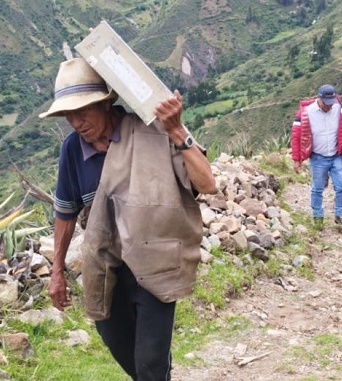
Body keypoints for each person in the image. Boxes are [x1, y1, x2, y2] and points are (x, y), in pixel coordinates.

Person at [39, 58, 216, 380]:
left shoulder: (154, 133)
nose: (76, 122)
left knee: (149, 363)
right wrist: (57, 271)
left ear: (106, 103)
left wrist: (176, 129)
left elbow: (207, 184)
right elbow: (65, 212)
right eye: (69, 115)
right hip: (105, 267)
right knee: (122, 349)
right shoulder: (73, 150)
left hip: (156, 263)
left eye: (83, 111)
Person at [291, 84, 342, 232]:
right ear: (319, 99)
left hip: (336, 155)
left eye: (331, 103)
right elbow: (296, 136)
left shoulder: (339, 110)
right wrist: (297, 159)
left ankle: (340, 215)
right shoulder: (305, 113)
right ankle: (318, 217)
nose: (329, 107)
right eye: (326, 104)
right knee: (317, 188)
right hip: (318, 157)